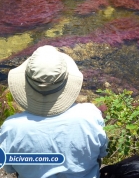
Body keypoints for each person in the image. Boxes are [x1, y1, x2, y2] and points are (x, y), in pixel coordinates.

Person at [0, 45, 108, 178]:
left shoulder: (12, 129)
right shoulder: (90, 115)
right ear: (66, 80)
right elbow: (102, 152)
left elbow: (9, 168)